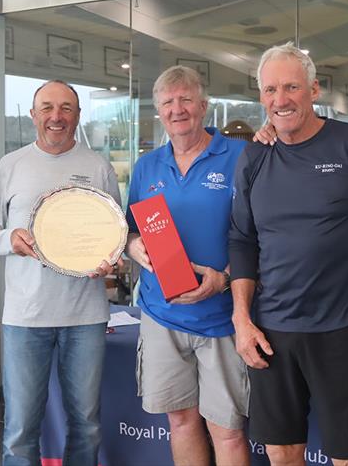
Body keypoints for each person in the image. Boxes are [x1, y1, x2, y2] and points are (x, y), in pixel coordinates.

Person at [229, 43, 348, 466]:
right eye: (270, 90)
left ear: (314, 90)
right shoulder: (254, 155)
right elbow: (241, 241)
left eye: (291, 87)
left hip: (342, 328)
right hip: (272, 331)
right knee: (282, 452)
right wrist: (242, 318)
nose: (280, 99)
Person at [0, 80, 121, 466]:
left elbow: (116, 236)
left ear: (78, 116)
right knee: (21, 430)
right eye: (48, 108)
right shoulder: (11, 165)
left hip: (86, 317)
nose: (57, 117)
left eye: (67, 108)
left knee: (86, 425)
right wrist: (11, 239)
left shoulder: (98, 167)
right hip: (25, 318)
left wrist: (112, 260)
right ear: (33, 115)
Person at [125, 65, 250, 466]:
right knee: (180, 420)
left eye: (185, 99)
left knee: (227, 430)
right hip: (161, 315)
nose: (177, 109)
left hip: (223, 318)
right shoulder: (147, 166)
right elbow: (130, 230)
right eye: (167, 102)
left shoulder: (240, 156)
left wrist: (225, 278)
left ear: (203, 105)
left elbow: (263, 235)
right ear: (159, 111)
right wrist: (133, 247)